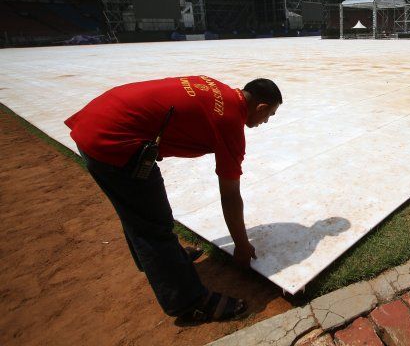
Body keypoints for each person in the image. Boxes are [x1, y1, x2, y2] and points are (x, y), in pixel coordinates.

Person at [64, 76, 282, 322]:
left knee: (137, 211)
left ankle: (162, 263)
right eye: (269, 115)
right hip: (114, 139)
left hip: (100, 116)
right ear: (261, 107)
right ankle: (190, 303)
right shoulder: (230, 123)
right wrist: (242, 246)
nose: (266, 121)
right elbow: (230, 195)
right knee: (154, 226)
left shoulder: (217, 87)